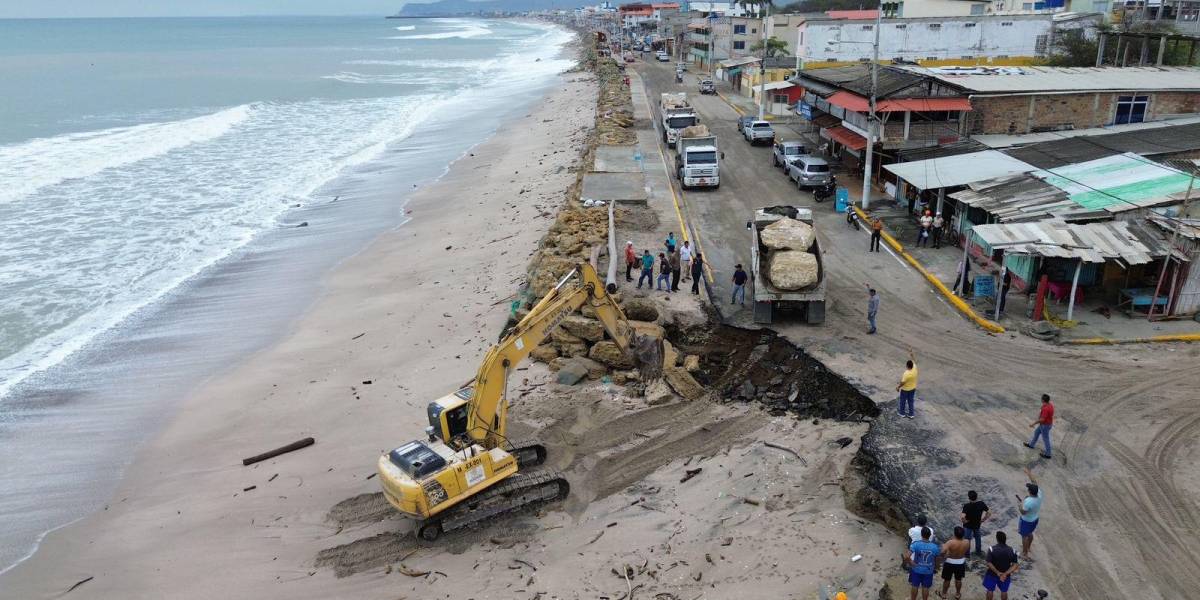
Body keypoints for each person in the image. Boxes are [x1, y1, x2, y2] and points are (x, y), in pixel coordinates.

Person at [1016, 466, 1043, 559]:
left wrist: (1019, 504)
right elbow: (1034, 482)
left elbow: (1023, 512)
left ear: (1030, 492)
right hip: (1035, 519)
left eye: (1029, 489)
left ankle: (1024, 552)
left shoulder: (1029, 501)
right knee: (1030, 534)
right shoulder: (1039, 494)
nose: (1028, 489)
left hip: (1026, 521)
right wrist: (1029, 473)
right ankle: (1028, 547)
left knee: (1024, 537)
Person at [983, 531, 1020, 600]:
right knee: (1004, 591)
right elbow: (1015, 565)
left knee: (990, 590)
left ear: (997, 539)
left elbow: (988, 563)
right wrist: (1005, 574)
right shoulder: (1012, 550)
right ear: (1005, 539)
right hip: (1005, 576)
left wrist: (997, 572)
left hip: (992, 574)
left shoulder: (992, 549)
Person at [906, 527, 940, 600]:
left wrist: (911, 563)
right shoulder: (935, 547)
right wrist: (936, 567)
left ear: (921, 534)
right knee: (925, 587)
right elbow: (937, 559)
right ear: (930, 535)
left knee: (915, 585)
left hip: (917, 569)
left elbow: (907, 556)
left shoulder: (915, 544)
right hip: (928, 570)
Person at [940, 527, 970, 600]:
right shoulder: (967, 541)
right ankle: (957, 594)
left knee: (947, 579)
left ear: (954, 534)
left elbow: (942, 552)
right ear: (963, 534)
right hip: (960, 562)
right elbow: (966, 551)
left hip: (950, 562)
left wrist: (944, 553)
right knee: (958, 579)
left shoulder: (950, 542)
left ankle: (944, 594)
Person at [961, 490, 990, 556]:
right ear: (976, 497)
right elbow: (989, 513)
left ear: (969, 498)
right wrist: (983, 520)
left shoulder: (967, 506)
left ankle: (967, 554)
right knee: (978, 538)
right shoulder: (981, 504)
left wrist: (965, 521)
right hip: (977, 524)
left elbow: (962, 517)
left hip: (968, 526)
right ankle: (978, 552)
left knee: (967, 540)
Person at [1024, 394, 1054, 459]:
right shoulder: (1050, 405)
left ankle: (1048, 454)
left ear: (1043, 400)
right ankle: (1031, 445)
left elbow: (1042, 419)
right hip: (1046, 424)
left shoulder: (1046, 408)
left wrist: (1033, 423)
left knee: (1046, 439)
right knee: (1036, 433)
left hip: (1045, 426)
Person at [896, 348, 918, 419]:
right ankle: (911, 414)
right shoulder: (914, 368)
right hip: (913, 388)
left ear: (907, 366)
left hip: (905, 389)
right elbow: (914, 360)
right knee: (910, 401)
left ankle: (902, 413)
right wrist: (911, 354)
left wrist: (898, 387)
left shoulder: (906, 374)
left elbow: (903, 382)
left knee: (902, 401)